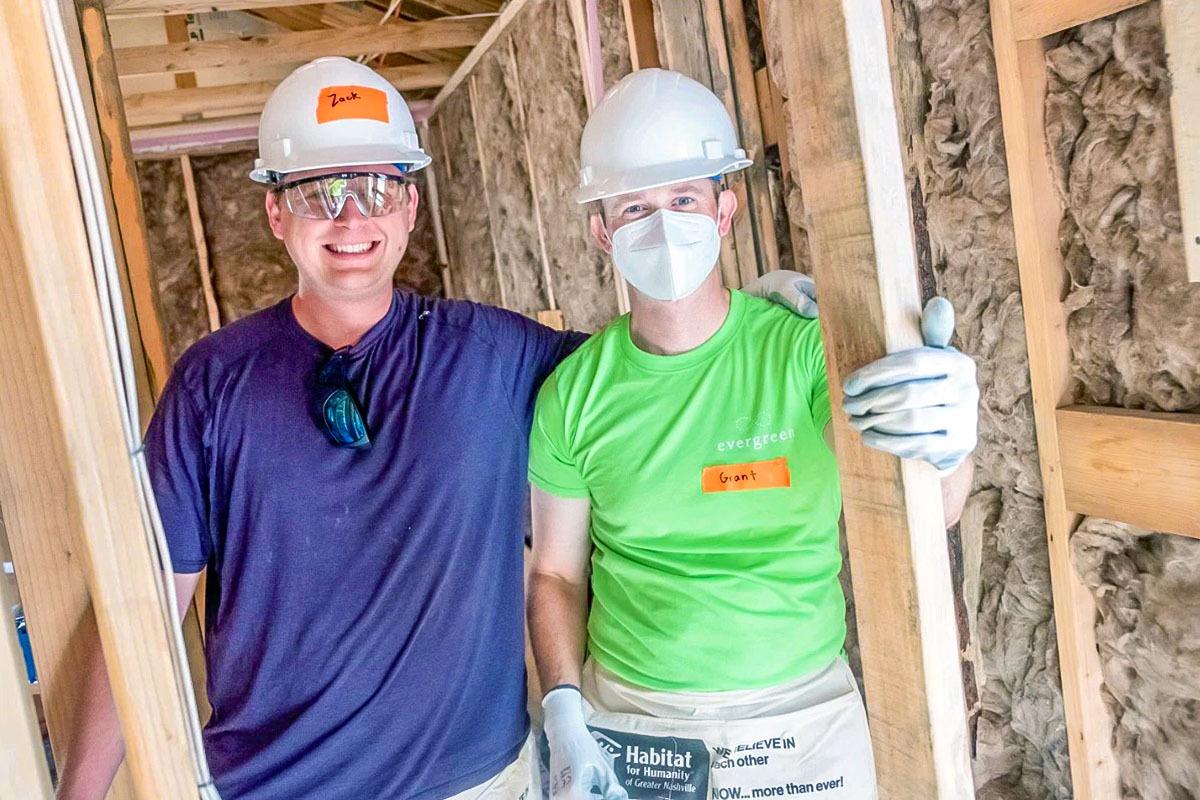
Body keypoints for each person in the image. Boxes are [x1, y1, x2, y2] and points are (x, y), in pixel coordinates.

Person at [55, 58, 817, 800]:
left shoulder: (496, 357)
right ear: (275, 212)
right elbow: (143, 603)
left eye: (378, 187)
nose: (351, 217)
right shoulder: (215, 385)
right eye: (320, 192)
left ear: (410, 208)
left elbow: (650, 374)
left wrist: (746, 314)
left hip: (483, 782)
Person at [526, 69, 978, 800]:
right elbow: (556, 574)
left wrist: (949, 444)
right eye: (635, 206)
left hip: (802, 724)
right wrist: (563, 710)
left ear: (724, 211)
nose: (664, 225)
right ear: (601, 230)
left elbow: (932, 509)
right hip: (641, 726)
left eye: (683, 199)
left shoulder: (804, 353)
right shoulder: (574, 396)